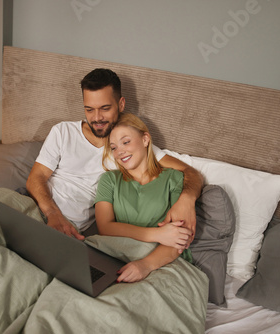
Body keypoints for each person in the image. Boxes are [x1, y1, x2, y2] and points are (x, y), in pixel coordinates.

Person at [26, 68, 203, 243]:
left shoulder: (129, 147)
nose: (96, 118)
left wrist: (186, 200)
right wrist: (52, 214)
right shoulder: (63, 131)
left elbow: (191, 172)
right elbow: (36, 177)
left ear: (121, 104)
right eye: (89, 109)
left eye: (105, 108)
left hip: (69, 229)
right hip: (33, 206)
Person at [95, 113, 193, 282]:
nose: (119, 152)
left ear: (145, 139)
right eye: (114, 147)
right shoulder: (109, 180)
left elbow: (179, 239)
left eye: (126, 142)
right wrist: (156, 234)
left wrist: (144, 265)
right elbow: (105, 227)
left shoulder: (173, 179)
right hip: (115, 257)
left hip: (161, 262)